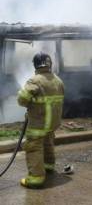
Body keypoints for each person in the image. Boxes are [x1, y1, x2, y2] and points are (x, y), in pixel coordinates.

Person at [17, 52, 64, 188]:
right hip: (53, 123)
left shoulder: (34, 81)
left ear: (36, 65)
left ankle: (36, 179)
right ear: (50, 64)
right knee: (48, 143)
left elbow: (22, 100)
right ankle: (48, 166)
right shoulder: (58, 81)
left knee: (33, 147)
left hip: (39, 123)